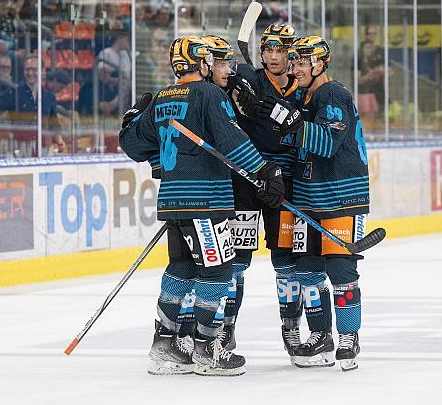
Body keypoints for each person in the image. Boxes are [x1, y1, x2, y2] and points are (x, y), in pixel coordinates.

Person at [119, 35, 284, 376]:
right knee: (219, 270)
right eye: (211, 60)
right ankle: (208, 349)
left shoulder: (163, 97)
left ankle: (164, 344)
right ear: (202, 63)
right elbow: (231, 139)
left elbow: (135, 147)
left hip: (174, 201)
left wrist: (131, 122)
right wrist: (265, 170)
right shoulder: (209, 94)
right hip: (206, 200)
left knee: (181, 267)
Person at [252, 36, 370, 371]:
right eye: (295, 63)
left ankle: (349, 337)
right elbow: (293, 138)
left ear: (319, 64)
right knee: (307, 271)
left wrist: (289, 119)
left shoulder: (333, 94)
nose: (296, 69)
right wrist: (273, 117)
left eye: (302, 63)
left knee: (340, 270)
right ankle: (322, 336)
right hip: (306, 197)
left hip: (339, 197)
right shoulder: (307, 96)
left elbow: (328, 142)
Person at [221, 24, 305, 361]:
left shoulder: (302, 91)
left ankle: (292, 328)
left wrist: (271, 108)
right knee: (237, 261)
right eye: (268, 49)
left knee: (285, 262)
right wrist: (238, 87)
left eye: (280, 50)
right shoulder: (250, 77)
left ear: (290, 54)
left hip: (282, 183)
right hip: (245, 178)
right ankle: (225, 328)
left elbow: (299, 128)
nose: (273, 56)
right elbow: (228, 74)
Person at [357, 25, 387, 117]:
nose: (372, 35)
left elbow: (386, 69)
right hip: (365, 93)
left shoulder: (379, 54)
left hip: (378, 91)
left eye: (374, 33)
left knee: (377, 118)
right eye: (370, 33)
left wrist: (379, 72)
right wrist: (371, 74)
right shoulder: (359, 58)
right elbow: (359, 79)